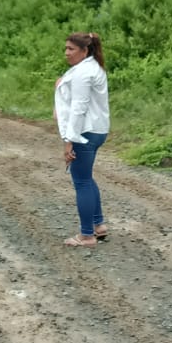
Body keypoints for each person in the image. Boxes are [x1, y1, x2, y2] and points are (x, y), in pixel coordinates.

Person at [54, 32, 111, 248]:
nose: (66, 53)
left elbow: (79, 108)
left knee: (82, 181)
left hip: (84, 132)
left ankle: (87, 236)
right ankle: (98, 225)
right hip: (97, 130)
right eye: (66, 48)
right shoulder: (93, 68)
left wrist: (69, 140)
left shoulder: (83, 73)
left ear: (84, 51)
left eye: (71, 49)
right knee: (86, 178)